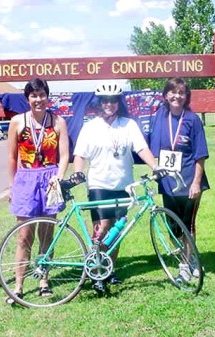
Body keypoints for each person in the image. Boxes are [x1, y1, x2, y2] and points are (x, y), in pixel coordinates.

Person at [73, 82, 157, 292]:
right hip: (99, 185)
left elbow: (142, 148)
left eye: (113, 100)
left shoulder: (128, 124)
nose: (109, 104)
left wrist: (156, 166)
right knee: (101, 230)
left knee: (118, 231)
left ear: (119, 102)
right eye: (105, 100)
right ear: (99, 103)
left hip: (124, 185)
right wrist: (78, 172)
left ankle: (109, 270)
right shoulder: (90, 126)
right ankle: (97, 272)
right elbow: (80, 155)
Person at [6, 78, 69, 302]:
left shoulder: (58, 121)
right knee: (24, 235)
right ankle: (19, 285)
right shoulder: (17, 122)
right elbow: (12, 157)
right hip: (26, 180)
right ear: (27, 98)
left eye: (42, 94)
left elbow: (64, 156)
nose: (38, 99)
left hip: (50, 179)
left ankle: (44, 280)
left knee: (47, 234)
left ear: (47, 96)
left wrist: (59, 178)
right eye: (34, 95)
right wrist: (12, 186)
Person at [149, 77, 209, 281]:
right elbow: (154, 149)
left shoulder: (192, 120)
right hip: (167, 182)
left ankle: (188, 261)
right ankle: (184, 259)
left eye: (181, 92)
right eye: (173, 92)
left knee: (187, 224)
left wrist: (196, 183)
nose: (177, 96)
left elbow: (200, 154)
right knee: (172, 225)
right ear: (166, 95)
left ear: (186, 96)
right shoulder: (159, 117)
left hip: (189, 181)